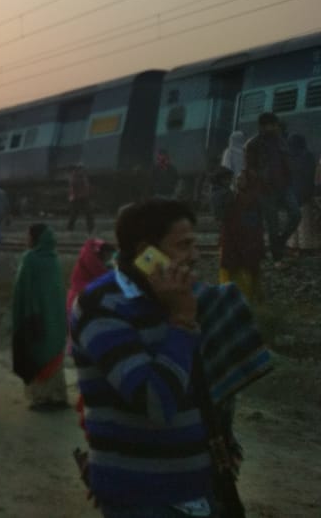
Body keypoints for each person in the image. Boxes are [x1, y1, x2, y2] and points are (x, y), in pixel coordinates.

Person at [70, 198, 271, 516]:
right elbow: (155, 401)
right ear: (146, 253)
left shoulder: (181, 295)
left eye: (195, 243)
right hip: (141, 496)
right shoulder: (100, 305)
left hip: (202, 487)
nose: (195, 255)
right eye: (183, 245)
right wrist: (181, 322)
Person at [11, 224, 68, 409]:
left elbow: (22, 289)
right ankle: (58, 395)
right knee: (54, 352)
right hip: (56, 318)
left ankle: (42, 398)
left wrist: (24, 313)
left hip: (35, 318)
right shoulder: (54, 259)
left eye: (28, 236)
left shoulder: (30, 259)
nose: (26, 239)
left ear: (35, 238)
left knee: (38, 352)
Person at [244, 112, 299, 261]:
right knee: (272, 225)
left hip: (285, 185)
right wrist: (261, 179)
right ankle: (277, 257)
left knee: (296, 214)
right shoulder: (253, 144)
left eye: (275, 125)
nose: (275, 127)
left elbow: (287, 161)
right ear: (263, 126)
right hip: (266, 189)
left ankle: (280, 241)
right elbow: (250, 168)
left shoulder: (280, 141)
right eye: (272, 125)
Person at [212, 169, 266, 303]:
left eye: (241, 179)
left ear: (249, 182)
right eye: (237, 178)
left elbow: (250, 223)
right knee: (243, 269)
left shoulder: (247, 199)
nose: (237, 181)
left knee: (242, 269)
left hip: (243, 241)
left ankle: (245, 298)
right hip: (236, 240)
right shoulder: (236, 197)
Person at [66, 238, 113, 319]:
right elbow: (101, 275)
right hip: (80, 299)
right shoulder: (92, 262)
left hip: (79, 298)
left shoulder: (90, 258)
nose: (109, 259)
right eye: (107, 255)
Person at [287, 133, 318, 254]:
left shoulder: (288, 157)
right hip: (304, 193)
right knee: (304, 221)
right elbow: (310, 176)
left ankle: (293, 245)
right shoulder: (308, 156)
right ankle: (305, 246)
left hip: (292, 194)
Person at [67, 163, 95, 233]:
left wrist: (89, 192)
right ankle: (70, 229)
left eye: (82, 169)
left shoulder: (83, 176)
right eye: (81, 169)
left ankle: (90, 229)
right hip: (77, 199)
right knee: (74, 215)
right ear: (78, 170)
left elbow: (87, 186)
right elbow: (74, 188)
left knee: (88, 213)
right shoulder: (75, 177)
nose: (82, 170)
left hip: (83, 197)